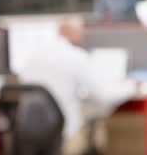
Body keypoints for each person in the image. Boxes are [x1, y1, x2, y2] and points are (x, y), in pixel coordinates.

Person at [20, 17, 137, 154]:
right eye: (81, 32)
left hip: (31, 131)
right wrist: (133, 87)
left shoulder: (32, 56)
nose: (82, 36)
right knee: (98, 119)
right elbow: (103, 95)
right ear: (73, 33)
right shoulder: (75, 56)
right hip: (65, 132)